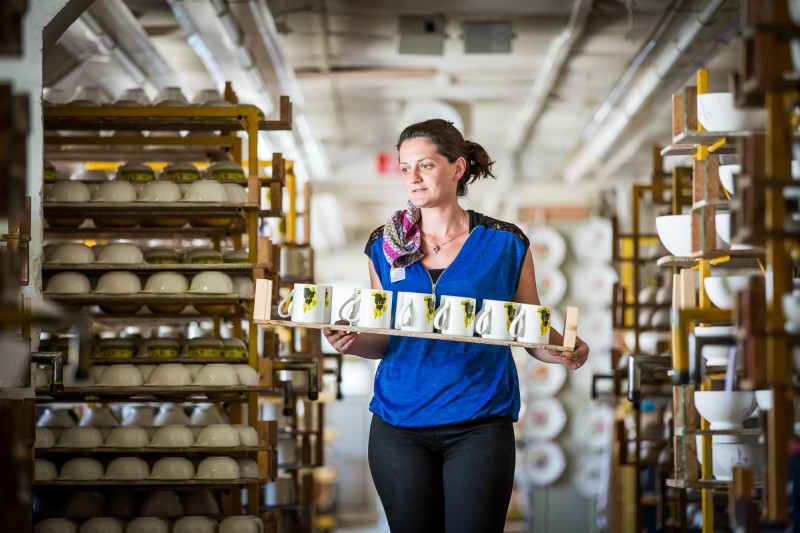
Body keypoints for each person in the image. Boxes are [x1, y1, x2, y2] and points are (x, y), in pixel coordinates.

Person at [323, 118, 589, 533]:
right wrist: (351, 343)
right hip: (398, 425)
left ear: (457, 168)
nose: (412, 177)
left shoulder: (505, 243)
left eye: (425, 165)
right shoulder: (383, 244)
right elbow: (381, 341)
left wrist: (564, 347)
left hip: (479, 423)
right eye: (405, 168)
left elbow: (528, 330)